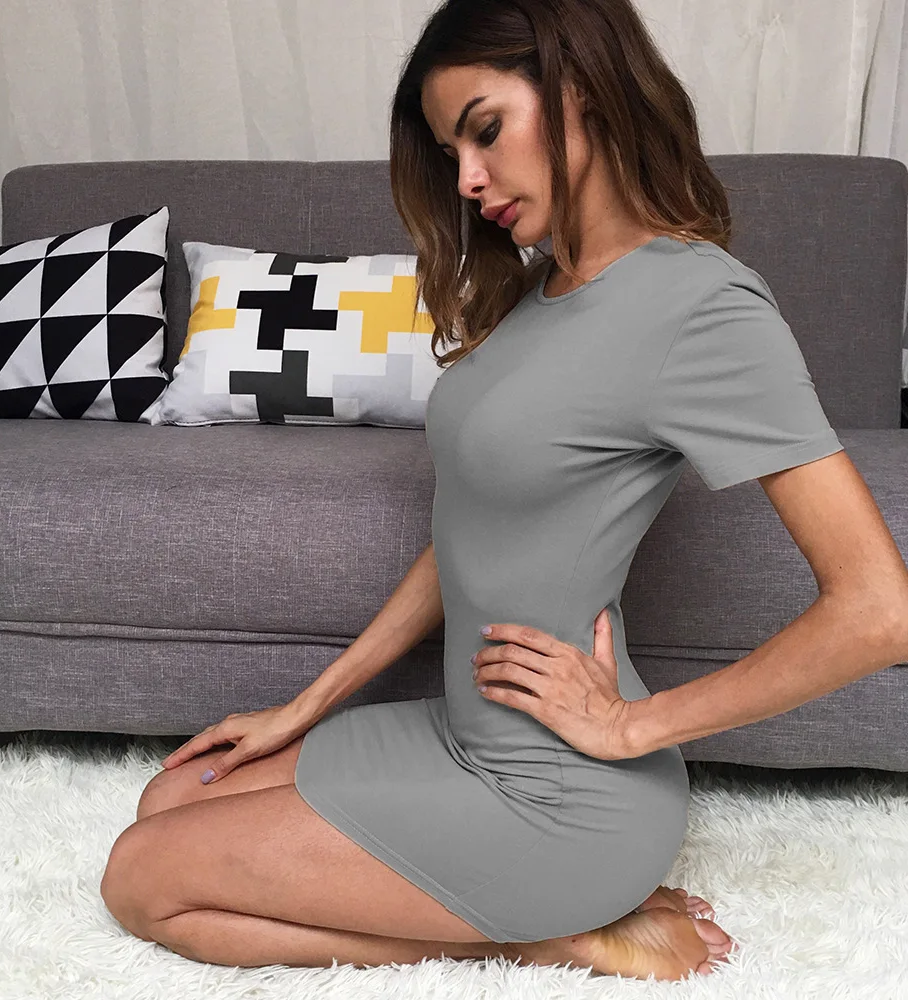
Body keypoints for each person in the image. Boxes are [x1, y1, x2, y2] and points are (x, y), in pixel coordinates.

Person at [101, 0, 874, 980]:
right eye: (449, 151)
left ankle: (551, 931)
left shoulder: (702, 305)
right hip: (463, 732)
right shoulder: (539, 290)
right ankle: (535, 913)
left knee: (142, 879)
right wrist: (306, 705)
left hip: (563, 795)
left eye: (486, 129)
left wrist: (632, 724)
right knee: (172, 799)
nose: (466, 179)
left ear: (582, 88)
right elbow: (473, 532)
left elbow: (877, 609)